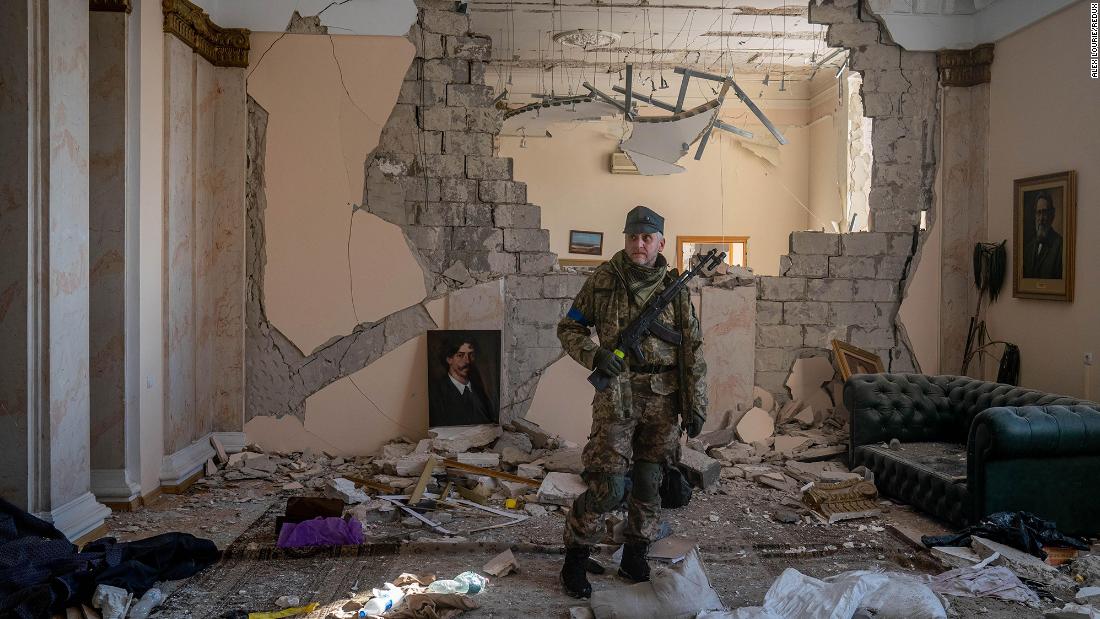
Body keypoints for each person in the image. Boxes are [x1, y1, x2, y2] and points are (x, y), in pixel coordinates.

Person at [555, 205, 708, 598]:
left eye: (647, 237)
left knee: (650, 481)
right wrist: (595, 356)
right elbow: (570, 326)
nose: (639, 244)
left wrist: (695, 404)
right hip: (617, 396)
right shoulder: (604, 279)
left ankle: (635, 556)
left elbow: (691, 349)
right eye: (632, 237)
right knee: (608, 486)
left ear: (660, 242)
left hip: (663, 399)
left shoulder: (675, 287)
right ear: (625, 239)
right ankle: (575, 559)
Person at [428, 338, 496, 426]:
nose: (467, 361)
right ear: (449, 359)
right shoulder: (437, 393)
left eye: (471, 355)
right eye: (460, 355)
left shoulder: (479, 390)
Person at [1022, 192, 1063, 279]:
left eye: (1044, 213)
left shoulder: (1060, 246)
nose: (1041, 219)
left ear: (1052, 215)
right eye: (1038, 212)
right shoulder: (1028, 249)